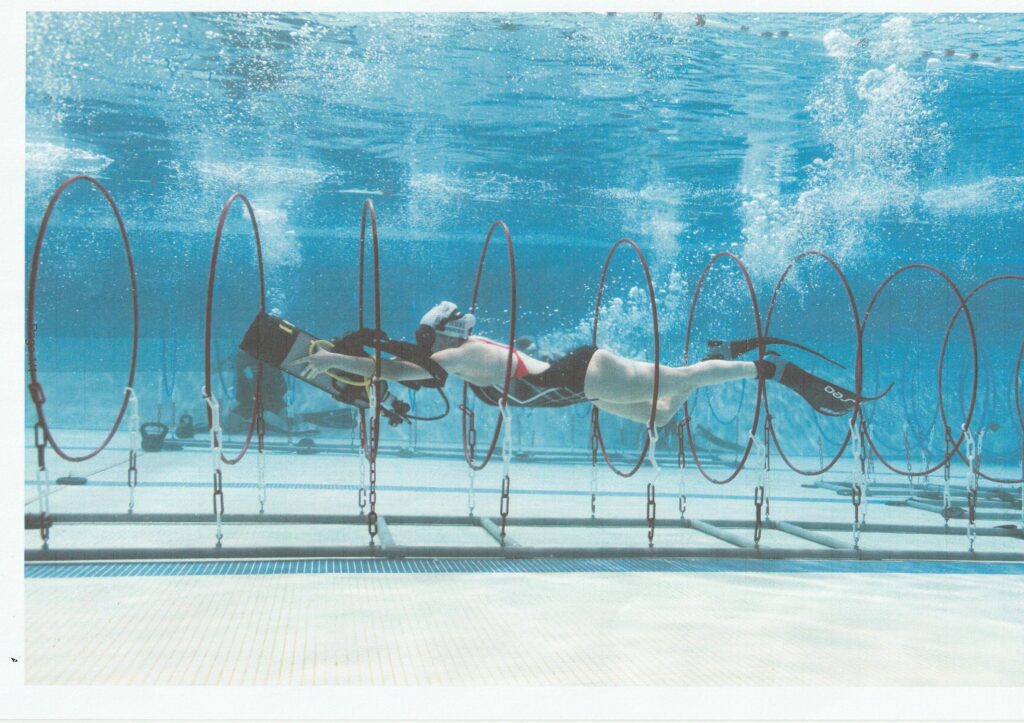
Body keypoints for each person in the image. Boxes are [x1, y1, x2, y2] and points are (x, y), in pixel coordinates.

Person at [292, 301, 875, 426]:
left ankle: (772, 371)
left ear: (439, 335)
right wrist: (351, 371)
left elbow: (391, 370)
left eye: (427, 336)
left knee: (682, 380)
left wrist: (330, 357)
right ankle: (719, 357)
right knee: (662, 415)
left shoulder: (459, 356)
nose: (423, 343)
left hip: (584, 375)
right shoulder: (454, 359)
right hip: (582, 390)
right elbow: (392, 373)